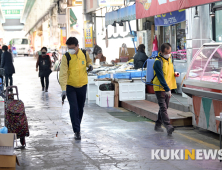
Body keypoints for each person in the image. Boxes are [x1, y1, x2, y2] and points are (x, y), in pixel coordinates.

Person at [59, 37, 93, 140]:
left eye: (72, 48)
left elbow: (88, 62)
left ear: (77, 46)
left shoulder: (84, 53)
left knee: (80, 108)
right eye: (69, 48)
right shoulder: (66, 57)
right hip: (70, 86)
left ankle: (77, 125)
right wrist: (63, 89)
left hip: (83, 85)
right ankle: (77, 131)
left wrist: (90, 66)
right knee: (73, 108)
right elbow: (63, 74)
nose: (71, 50)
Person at [153, 43, 180, 135]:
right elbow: (160, 77)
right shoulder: (158, 61)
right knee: (163, 107)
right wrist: (166, 88)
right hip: (160, 88)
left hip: (168, 87)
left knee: (165, 107)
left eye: (169, 52)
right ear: (161, 52)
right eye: (166, 52)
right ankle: (168, 126)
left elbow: (170, 70)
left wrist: (175, 73)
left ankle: (158, 124)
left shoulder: (170, 58)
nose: (168, 54)